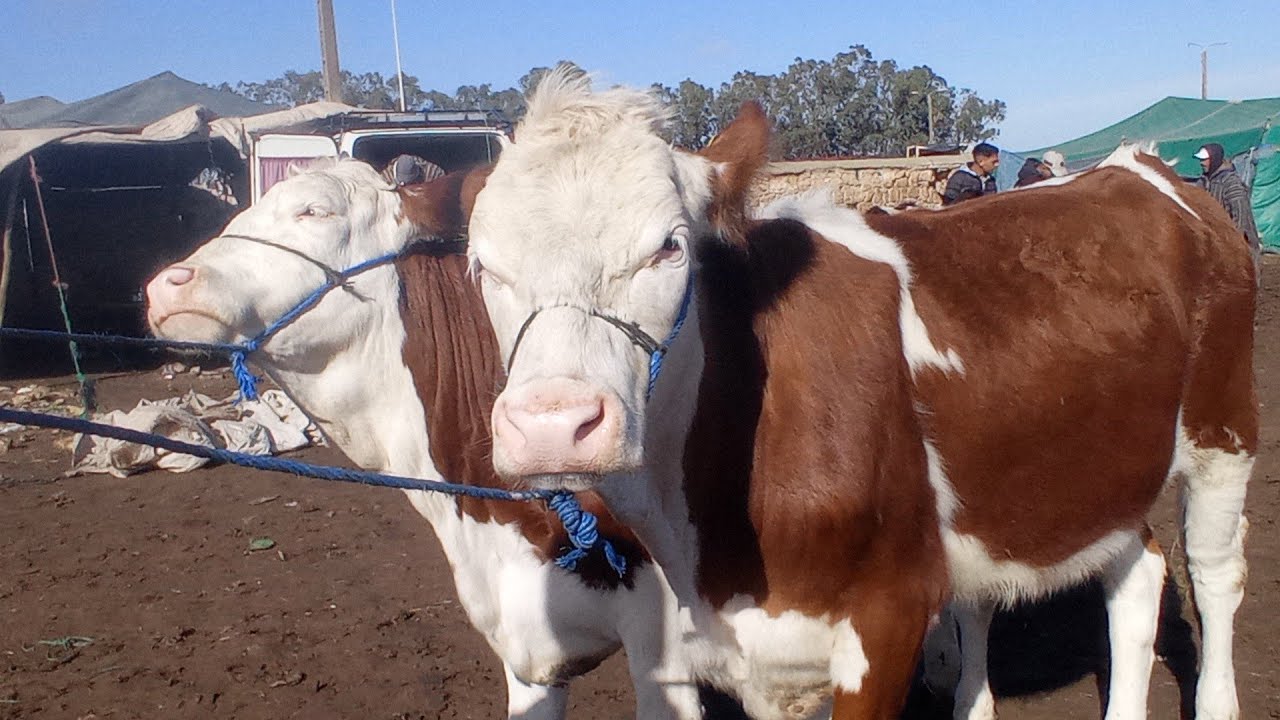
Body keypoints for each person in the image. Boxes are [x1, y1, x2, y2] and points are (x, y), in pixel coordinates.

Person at [1195, 143, 1261, 263]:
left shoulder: (1231, 183)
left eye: (1205, 159)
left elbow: (1240, 215)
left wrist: (1234, 243)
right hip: (1216, 242)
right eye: (1201, 159)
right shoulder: (1203, 182)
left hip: (1237, 246)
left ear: (1214, 159)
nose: (1202, 162)